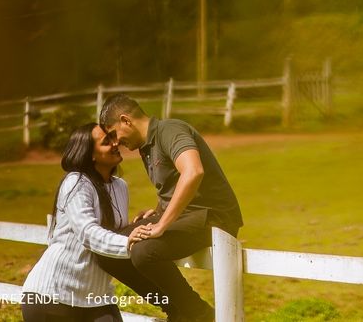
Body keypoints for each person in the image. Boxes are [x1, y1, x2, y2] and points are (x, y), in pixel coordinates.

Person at [96, 94, 243, 322]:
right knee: (108, 252)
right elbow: (173, 185)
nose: (115, 143)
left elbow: (193, 172)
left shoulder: (169, 130)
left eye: (114, 134)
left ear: (126, 120)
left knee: (144, 252)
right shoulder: (147, 147)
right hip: (186, 217)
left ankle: (198, 313)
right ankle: (176, 310)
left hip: (214, 218)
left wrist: (162, 224)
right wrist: (158, 211)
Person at [21, 123, 154, 322]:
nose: (115, 143)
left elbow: (112, 232)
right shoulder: (76, 183)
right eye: (106, 142)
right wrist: (128, 242)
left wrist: (140, 223)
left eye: (113, 138)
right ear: (90, 154)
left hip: (96, 297)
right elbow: (88, 233)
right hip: (53, 295)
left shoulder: (120, 186)